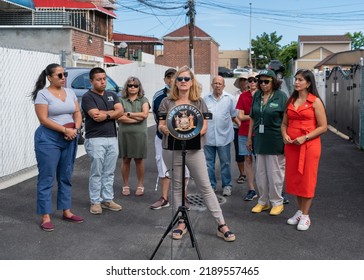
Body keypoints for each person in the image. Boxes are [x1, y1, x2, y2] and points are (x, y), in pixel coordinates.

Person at [158, 66, 235, 242]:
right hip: (172, 149)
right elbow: (161, 125)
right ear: (175, 82)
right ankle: (181, 223)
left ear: (192, 82)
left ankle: (221, 224)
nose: (183, 82)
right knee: (177, 187)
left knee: (205, 187)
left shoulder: (199, 102)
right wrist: (167, 129)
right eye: (180, 79)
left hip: (194, 149)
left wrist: (189, 133)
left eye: (186, 79)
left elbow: (204, 127)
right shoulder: (166, 102)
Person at [32, 63, 83, 232]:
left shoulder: (70, 92)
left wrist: (75, 129)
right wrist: (65, 130)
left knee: (66, 175)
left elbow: (77, 112)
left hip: (69, 137)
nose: (63, 78)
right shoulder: (43, 94)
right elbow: (43, 119)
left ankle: (66, 211)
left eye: (65, 74)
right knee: (47, 177)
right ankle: (45, 216)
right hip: (49, 139)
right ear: (49, 77)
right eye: (59, 75)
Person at [281, 69, 327, 230]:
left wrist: (305, 137)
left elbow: (323, 127)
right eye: (296, 79)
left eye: (300, 80)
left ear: (308, 83)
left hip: (309, 146)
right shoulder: (291, 100)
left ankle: (306, 216)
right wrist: (284, 135)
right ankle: (300, 211)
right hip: (292, 146)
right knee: (295, 179)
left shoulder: (315, 101)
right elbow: (284, 124)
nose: (296, 82)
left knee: (307, 179)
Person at [82, 67, 123, 215]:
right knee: (97, 172)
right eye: (99, 79)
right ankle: (95, 201)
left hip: (112, 137)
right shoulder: (88, 97)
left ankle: (107, 199)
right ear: (92, 81)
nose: (102, 82)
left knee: (109, 172)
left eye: (104, 79)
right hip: (95, 139)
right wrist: (112, 113)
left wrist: (106, 115)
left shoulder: (112, 95)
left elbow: (121, 111)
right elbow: (95, 115)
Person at [247, 69, 287, 216]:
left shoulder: (281, 96)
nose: (262, 84)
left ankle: (277, 202)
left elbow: (286, 120)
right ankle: (263, 201)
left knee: (275, 174)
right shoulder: (257, 95)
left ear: (273, 81)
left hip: (275, 140)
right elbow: (252, 117)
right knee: (261, 173)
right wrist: (250, 137)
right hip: (260, 140)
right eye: (260, 81)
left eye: (266, 81)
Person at [150, 68, 191, 210]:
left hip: (183, 139)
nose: (171, 80)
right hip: (163, 137)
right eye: (169, 77)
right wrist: (167, 129)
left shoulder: (188, 95)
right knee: (163, 167)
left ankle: (184, 198)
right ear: (165, 79)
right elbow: (158, 117)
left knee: (184, 167)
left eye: (175, 77)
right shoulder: (158, 97)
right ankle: (164, 198)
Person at [203, 76, 237, 196]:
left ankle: (227, 185)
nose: (217, 85)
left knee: (226, 163)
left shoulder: (230, 98)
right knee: (208, 164)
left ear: (223, 85)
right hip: (208, 137)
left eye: (219, 83)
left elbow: (234, 116)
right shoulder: (205, 99)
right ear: (212, 85)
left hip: (224, 137)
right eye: (215, 83)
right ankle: (211, 186)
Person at [117, 76, 149, 197]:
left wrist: (129, 114)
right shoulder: (121, 100)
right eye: (130, 85)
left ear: (139, 87)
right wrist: (137, 119)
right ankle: (126, 185)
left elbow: (145, 114)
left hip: (139, 134)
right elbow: (119, 117)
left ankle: (140, 185)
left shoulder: (143, 99)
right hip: (124, 134)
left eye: (135, 85)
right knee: (125, 159)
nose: (132, 88)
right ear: (126, 87)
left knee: (139, 160)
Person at [236, 72, 259, 201]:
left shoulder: (263, 96)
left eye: (255, 80)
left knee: (262, 162)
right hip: (244, 133)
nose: (252, 82)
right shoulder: (243, 96)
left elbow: (246, 116)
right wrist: (255, 116)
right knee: (248, 160)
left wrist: (248, 116)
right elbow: (240, 116)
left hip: (260, 134)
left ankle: (268, 189)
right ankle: (251, 189)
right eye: (250, 80)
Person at [232, 72, 249, 184]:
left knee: (254, 153)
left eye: (245, 80)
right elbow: (233, 113)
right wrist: (239, 123)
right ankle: (242, 174)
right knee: (239, 152)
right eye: (241, 80)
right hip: (238, 127)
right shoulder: (235, 96)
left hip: (252, 127)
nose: (244, 82)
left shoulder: (255, 94)